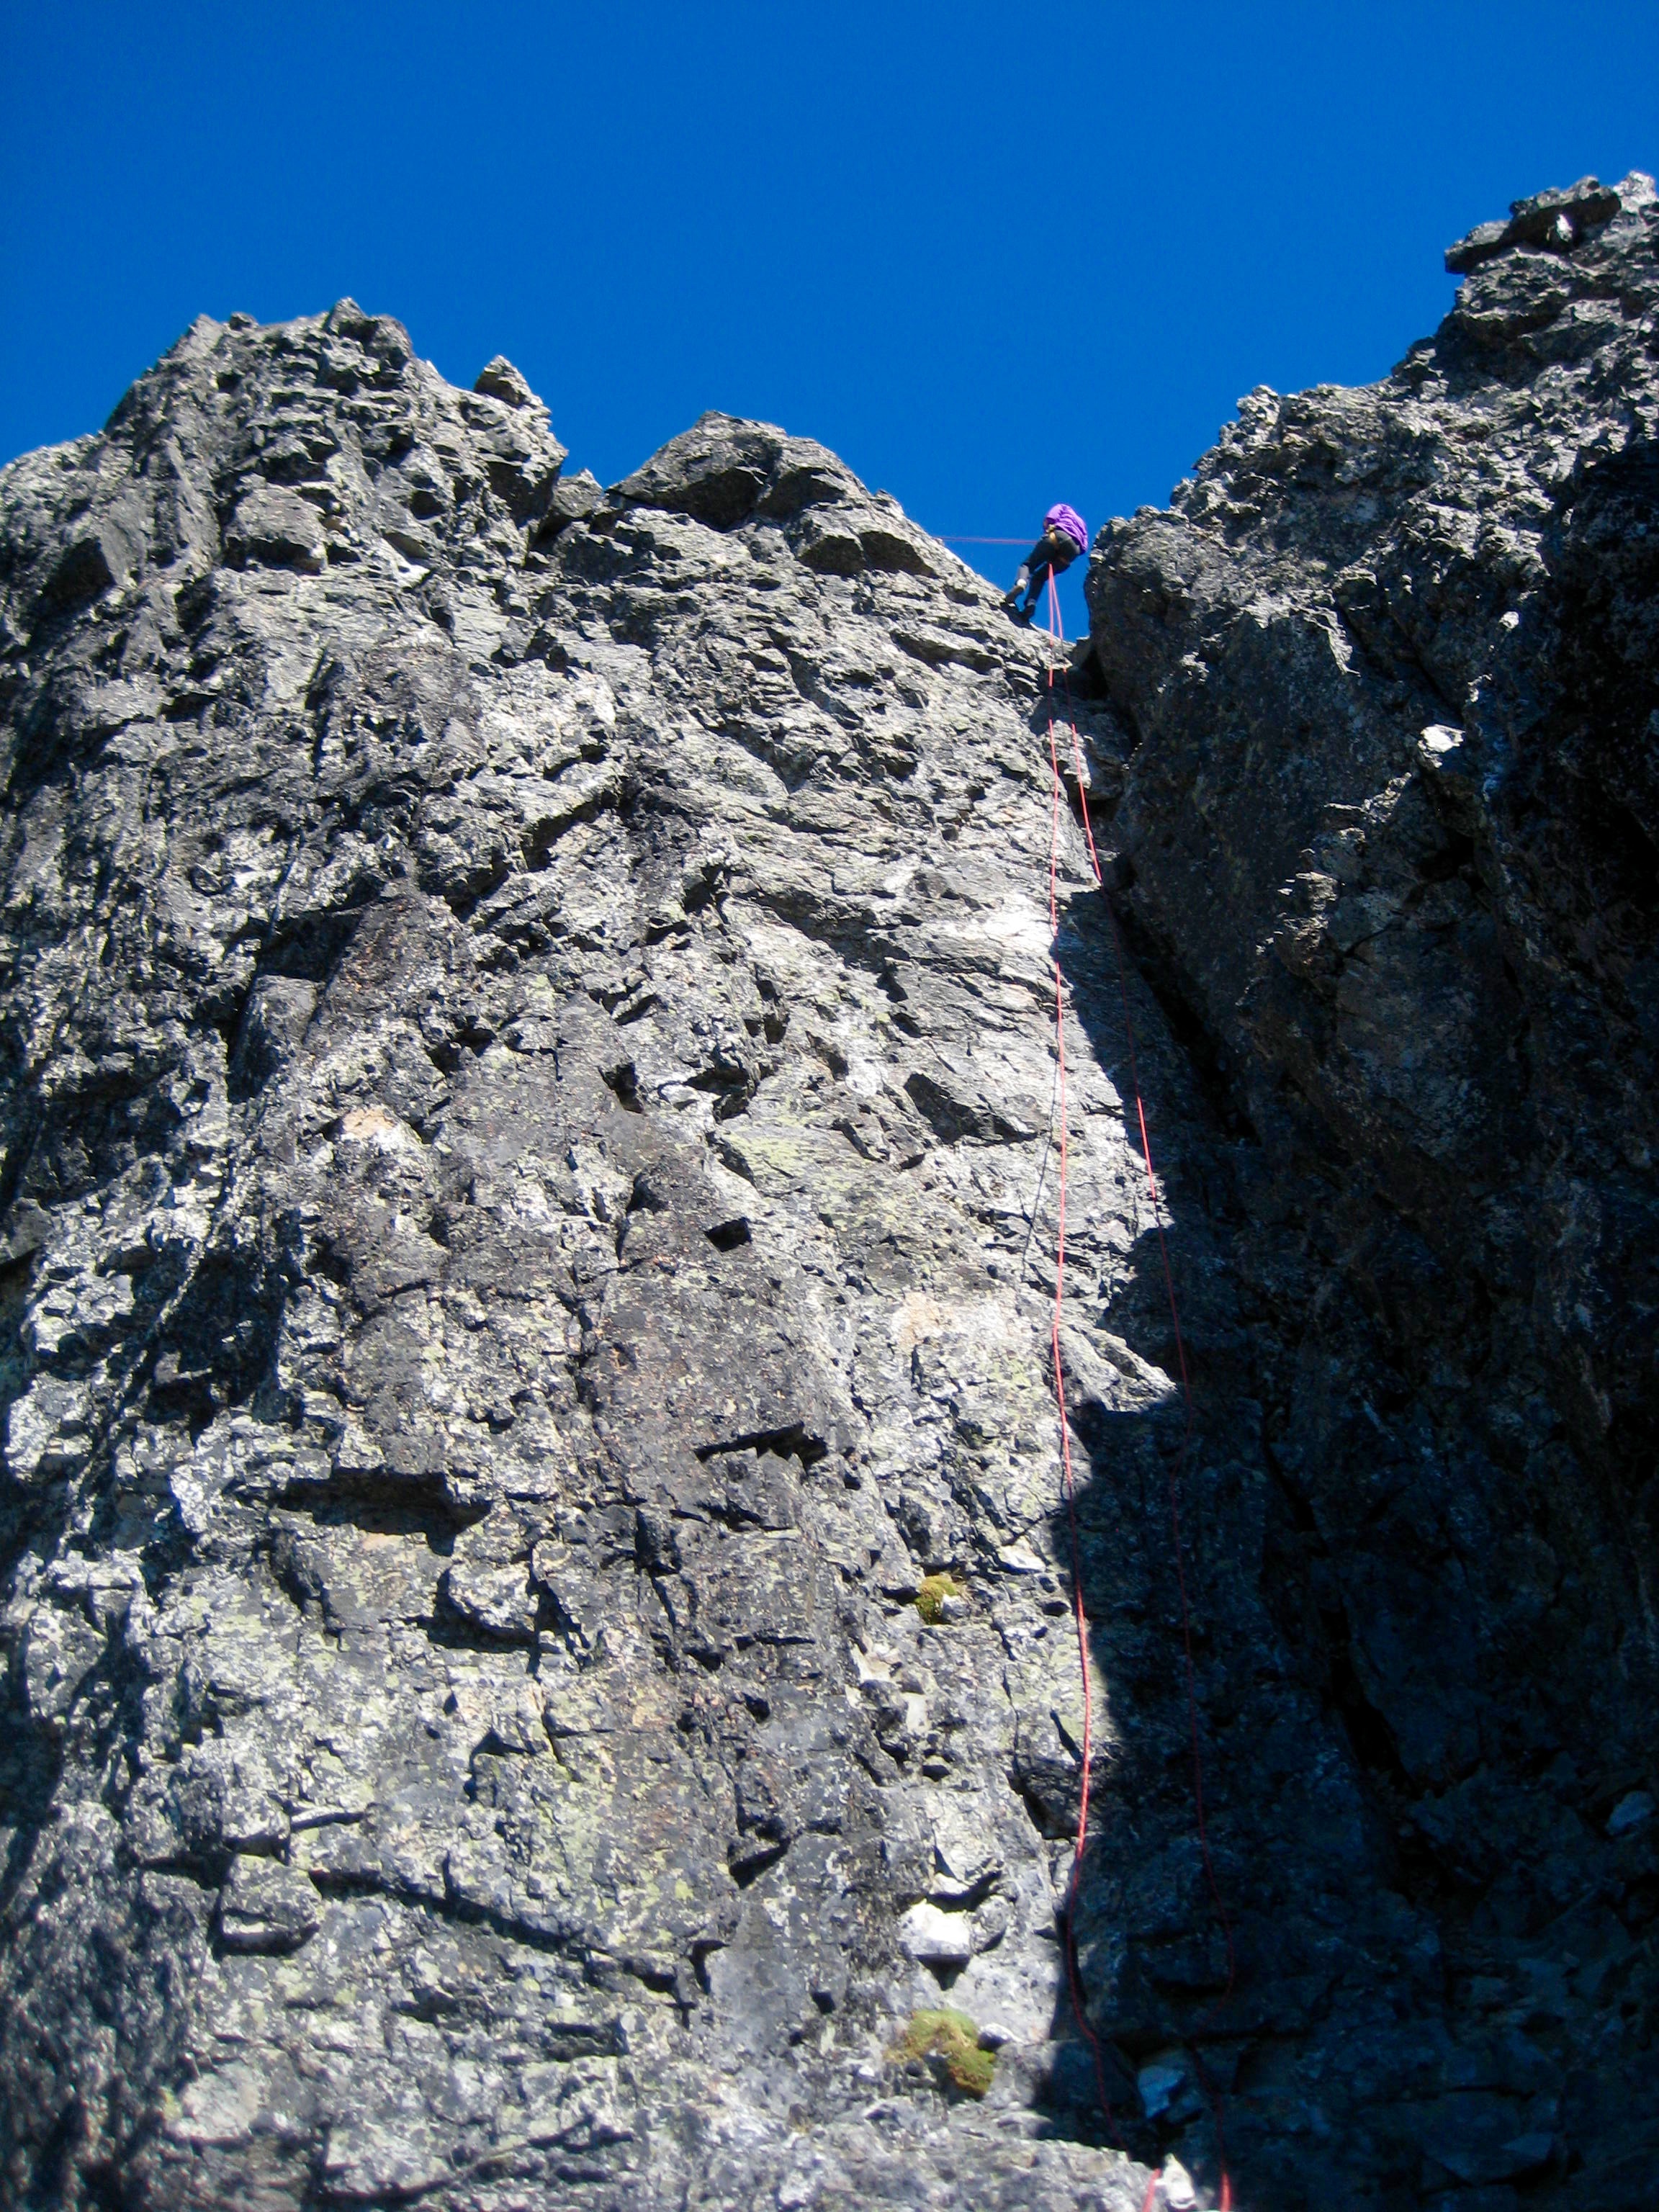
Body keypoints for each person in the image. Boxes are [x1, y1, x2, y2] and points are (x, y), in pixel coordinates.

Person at [1003, 504, 1088, 624]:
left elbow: (1050, 519)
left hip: (1057, 536)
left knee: (1028, 565)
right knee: (1039, 578)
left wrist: (1047, 533)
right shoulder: (1083, 525)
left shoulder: (1063, 507)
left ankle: (1021, 582)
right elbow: (1084, 548)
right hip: (1071, 553)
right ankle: (1030, 604)